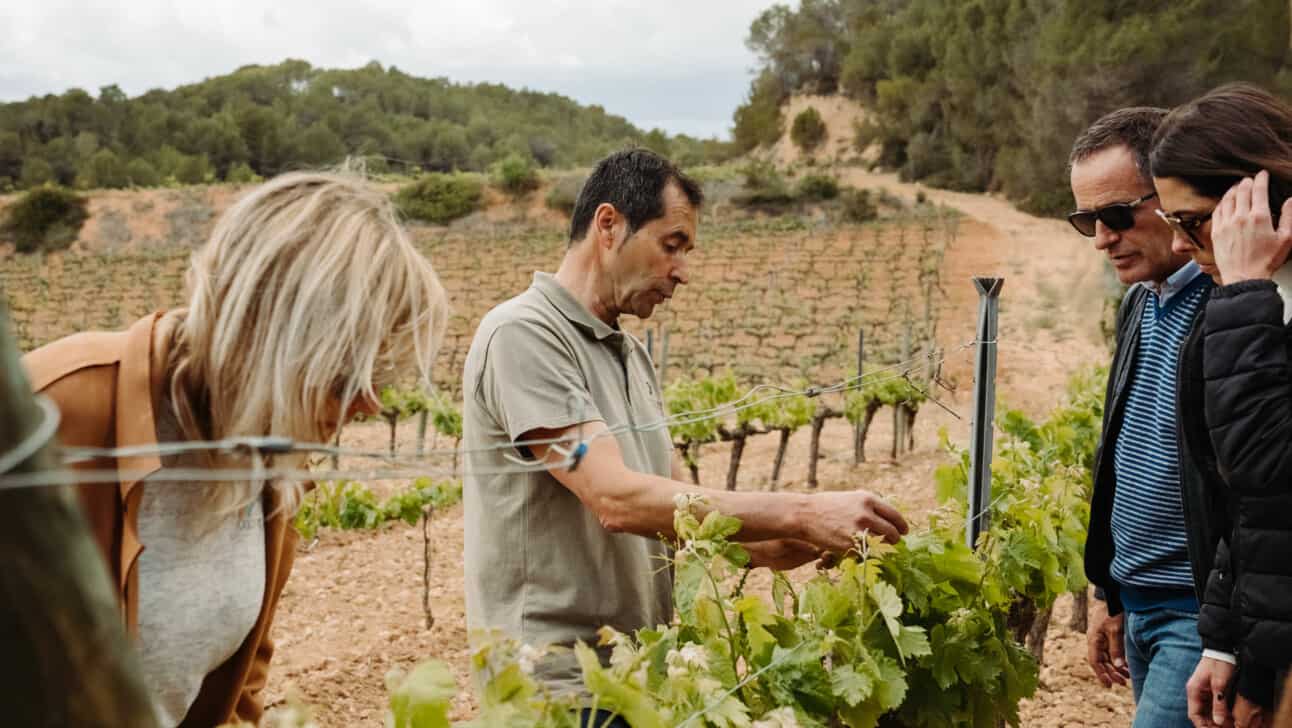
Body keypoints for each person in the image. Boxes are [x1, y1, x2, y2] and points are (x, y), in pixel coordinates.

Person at [462, 148, 909, 724]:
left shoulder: (630, 356)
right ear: (608, 225)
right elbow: (615, 498)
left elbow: (686, 515)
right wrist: (800, 511)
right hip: (556, 685)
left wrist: (786, 543)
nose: (682, 271)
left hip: (637, 672)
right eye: (671, 245)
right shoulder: (524, 335)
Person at [22, 170, 449, 727]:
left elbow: (239, 685)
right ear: (272, 339)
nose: (368, 405)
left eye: (378, 379)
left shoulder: (273, 460)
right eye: (346, 376)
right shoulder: (54, 408)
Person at [1150, 82, 1292, 728]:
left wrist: (1243, 291)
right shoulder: (1252, 302)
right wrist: (1226, 640)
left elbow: (1267, 464)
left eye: (1191, 220)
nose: (1180, 245)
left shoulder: (1248, 300)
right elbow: (1252, 511)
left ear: (1259, 200)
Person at [1070, 106, 1214, 728]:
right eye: (1086, 221)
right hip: (1140, 602)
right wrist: (1109, 590)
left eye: (1116, 215)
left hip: (1198, 614)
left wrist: (1228, 636)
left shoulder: (1235, 305)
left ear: (1173, 197)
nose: (1102, 238)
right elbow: (1121, 455)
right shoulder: (1137, 304)